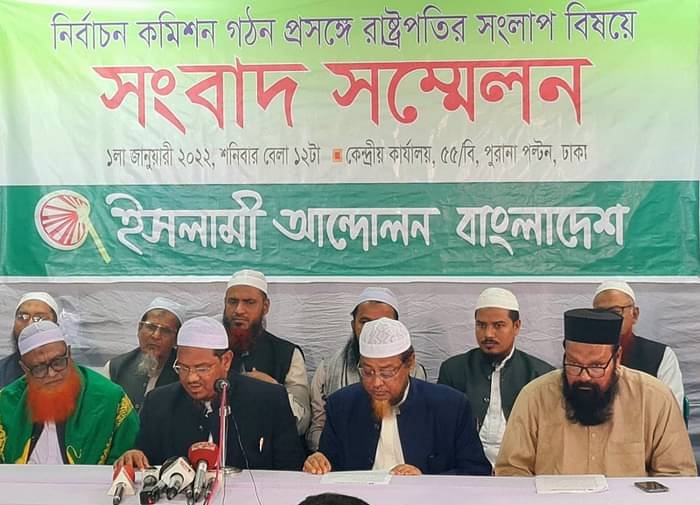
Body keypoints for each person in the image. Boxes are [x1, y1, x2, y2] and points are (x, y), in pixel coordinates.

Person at [495, 308, 696, 477]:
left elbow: (677, 475)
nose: (584, 377)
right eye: (574, 364)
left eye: (596, 366)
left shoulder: (654, 398)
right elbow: (511, 471)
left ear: (617, 358)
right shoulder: (534, 397)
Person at [304, 318, 491, 476]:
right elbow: (330, 465)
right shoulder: (342, 405)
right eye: (367, 372)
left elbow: (476, 471)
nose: (376, 383)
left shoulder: (450, 406)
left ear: (410, 363)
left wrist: (425, 479)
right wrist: (318, 462)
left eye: (387, 373)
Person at [115, 316, 305, 471]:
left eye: (202, 368)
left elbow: (291, 470)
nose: (191, 378)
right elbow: (145, 459)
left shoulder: (269, 400)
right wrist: (135, 456)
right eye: (183, 368)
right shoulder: (158, 402)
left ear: (226, 361)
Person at [437, 287, 552, 465]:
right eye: (481, 325)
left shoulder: (540, 375)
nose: (488, 334)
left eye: (498, 326)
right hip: (466, 467)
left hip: (520, 468)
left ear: (516, 326)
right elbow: (443, 431)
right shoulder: (454, 369)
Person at [0, 321, 139, 464]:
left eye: (58, 362)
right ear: (24, 368)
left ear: (69, 353)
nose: (52, 374)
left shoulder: (110, 398)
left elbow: (131, 455)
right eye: (39, 368)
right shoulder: (5, 403)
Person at [307, 287, 427, 451]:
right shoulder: (328, 369)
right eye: (365, 322)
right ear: (353, 325)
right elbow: (317, 427)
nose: (373, 329)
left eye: (387, 372)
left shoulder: (413, 371)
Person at [223, 269, 310, 435]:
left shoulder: (287, 354)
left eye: (249, 302)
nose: (239, 310)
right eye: (232, 302)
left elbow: (302, 423)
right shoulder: (209, 350)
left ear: (265, 307)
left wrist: (274, 389)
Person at [593, 280, 684, 408]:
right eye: (599, 313)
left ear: (635, 314)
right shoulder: (581, 356)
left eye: (615, 312)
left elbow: (672, 410)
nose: (607, 319)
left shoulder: (661, 356)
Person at [104, 297, 184, 411]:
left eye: (165, 331)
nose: (156, 336)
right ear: (139, 329)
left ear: (176, 339)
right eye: (151, 327)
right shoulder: (115, 367)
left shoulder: (185, 372)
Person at [0, 292, 59, 388]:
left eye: (40, 318)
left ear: (56, 326)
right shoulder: (2, 372)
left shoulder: (72, 374)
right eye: (23, 317)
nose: (29, 325)